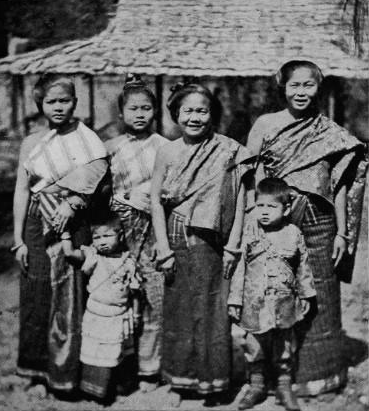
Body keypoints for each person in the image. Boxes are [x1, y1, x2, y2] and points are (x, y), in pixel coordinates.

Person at [246, 60, 366, 395]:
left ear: (319, 88)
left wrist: (342, 232)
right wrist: (254, 219)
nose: (301, 92)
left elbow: (338, 185)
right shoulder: (266, 125)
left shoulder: (329, 131)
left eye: (308, 85)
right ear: (282, 86)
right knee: (272, 292)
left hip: (320, 225)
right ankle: (267, 378)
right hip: (274, 222)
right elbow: (248, 174)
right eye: (294, 85)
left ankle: (317, 376)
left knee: (320, 297)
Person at [151, 82, 254, 405]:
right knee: (180, 310)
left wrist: (233, 246)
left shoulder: (231, 151)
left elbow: (241, 201)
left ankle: (214, 381)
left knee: (213, 310)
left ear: (213, 114)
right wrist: (164, 248)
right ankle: (183, 382)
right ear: (175, 114)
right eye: (188, 111)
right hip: (177, 238)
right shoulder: (167, 151)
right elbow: (156, 200)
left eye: (202, 110)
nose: (195, 117)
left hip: (214, 244)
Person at [13, 74, 108, 392]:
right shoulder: (32, 142)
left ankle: (68, 373)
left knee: (71, 298)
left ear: (75, 103)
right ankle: (37, 371)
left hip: (75, 226)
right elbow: (22, 191)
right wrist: (18, 239)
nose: (58, 107)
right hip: (36, 225)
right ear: (40, 104)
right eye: (51, 101)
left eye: (64, 100)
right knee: (37, 296)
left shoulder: (88, 139)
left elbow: (99, 184)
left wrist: (75, 202)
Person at [228, 178, 316, 411]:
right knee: (254, 347)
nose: (264, 212)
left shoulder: (293, 233)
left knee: (284, 347)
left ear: (286, 209)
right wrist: (235, 299)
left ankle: (283, 387)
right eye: (260, 206)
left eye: (271, 206)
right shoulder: (250, 231)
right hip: (254, 304)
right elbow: (240, 268)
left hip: (284, 303)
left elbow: (303, 266)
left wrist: (307, 294)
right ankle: (256, 386)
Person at [105, 75, 167, 392]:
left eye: (146, 108)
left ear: (155, 112)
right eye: (133, 109)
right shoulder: (109, 149)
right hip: (118, 231)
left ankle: (150, 369)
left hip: (154, 232)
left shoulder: (166, 148)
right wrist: (125, 200)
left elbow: (172, 194)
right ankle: (117, 367)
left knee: (153, 301)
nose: (139, 114)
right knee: (118, 301)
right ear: (121, 113)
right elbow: (100, 192)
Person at [61, 213, 141, 401]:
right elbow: (69, 253)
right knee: (95, 354)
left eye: (107, 236)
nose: (102, 241)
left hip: (118, 315)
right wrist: (65, 234)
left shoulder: (128, 261)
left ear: (120, 236)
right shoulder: (92, 255)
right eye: (97, 237)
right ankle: (94, 390)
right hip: (97, 315)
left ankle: (118, 388)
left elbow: (135, 291)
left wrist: (136, 315)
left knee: (116, 353)